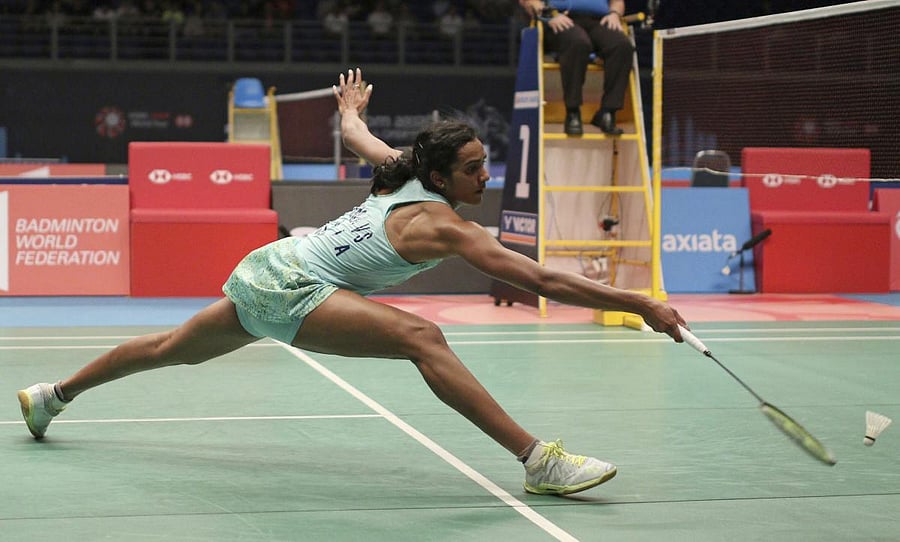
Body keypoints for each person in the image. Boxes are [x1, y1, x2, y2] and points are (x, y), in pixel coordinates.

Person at [17, 68, 687, 497]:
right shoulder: (447, 226)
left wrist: (349, 106)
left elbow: (354, 132)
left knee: (171, 348)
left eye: (488, 165)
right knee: (422, 336)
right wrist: (639, 302)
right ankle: (537, 460)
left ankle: (52, 395)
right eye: (477, 169)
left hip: (270, 265)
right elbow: (541, 277)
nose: (488, 177)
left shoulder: (405, 167)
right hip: (295, 286)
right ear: (447, 175)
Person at [519, 0, 634, 136]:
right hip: (559, 19)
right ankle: (573, 112)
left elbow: (617, 2)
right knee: (578, 42)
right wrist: (548, 14)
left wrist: (614, 14)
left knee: (622, 46)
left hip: (598, 21)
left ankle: (607, 112)